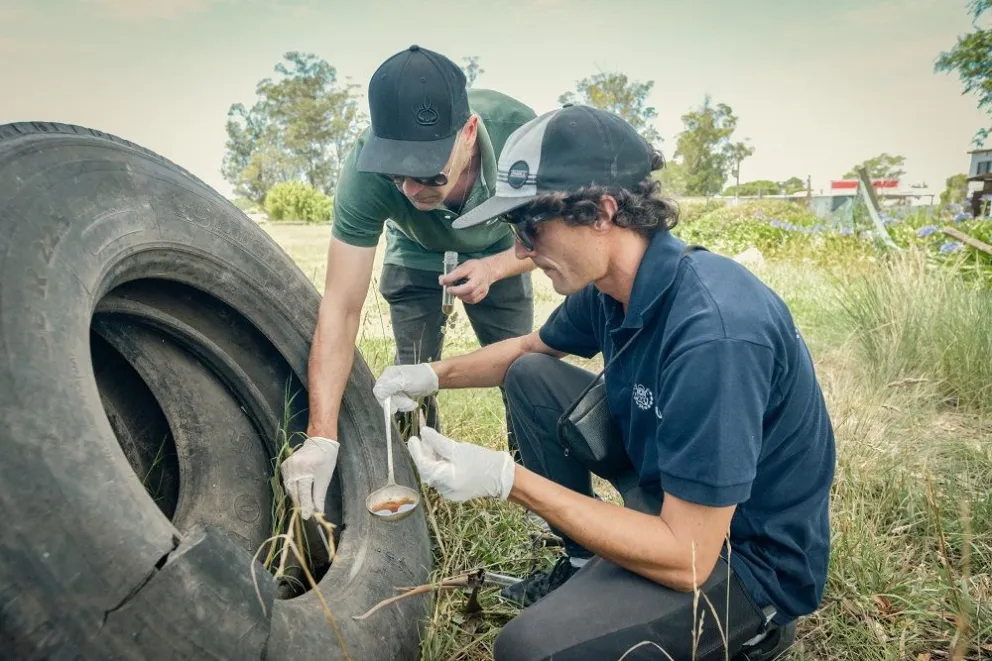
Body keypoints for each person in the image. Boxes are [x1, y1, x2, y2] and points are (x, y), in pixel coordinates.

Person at [372, 105, 836, 660]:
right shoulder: (610, 286)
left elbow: (688, 555)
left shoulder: (717, 333)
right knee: (531, 375)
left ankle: (755, 629)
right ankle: (582, 565)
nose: (520, 251)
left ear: (602, 213)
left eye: (531, 227)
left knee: (528, 649)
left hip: (736, 554)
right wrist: (428, 376)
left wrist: (505, 478)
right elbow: (525, 349)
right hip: (666, 491)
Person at [279, 45, 539, 521]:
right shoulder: (363, 173)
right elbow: (340, 305)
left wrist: (495, 267)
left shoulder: (521, 134)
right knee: (410, 375)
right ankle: (421, 474)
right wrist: (321, 435)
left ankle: (532, 482)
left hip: (503, 247)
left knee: (521, 370)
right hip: (415, 253)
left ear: (469, 132)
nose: (412, 191)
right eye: (397, 176)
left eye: (427, 174)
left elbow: (561, 244)